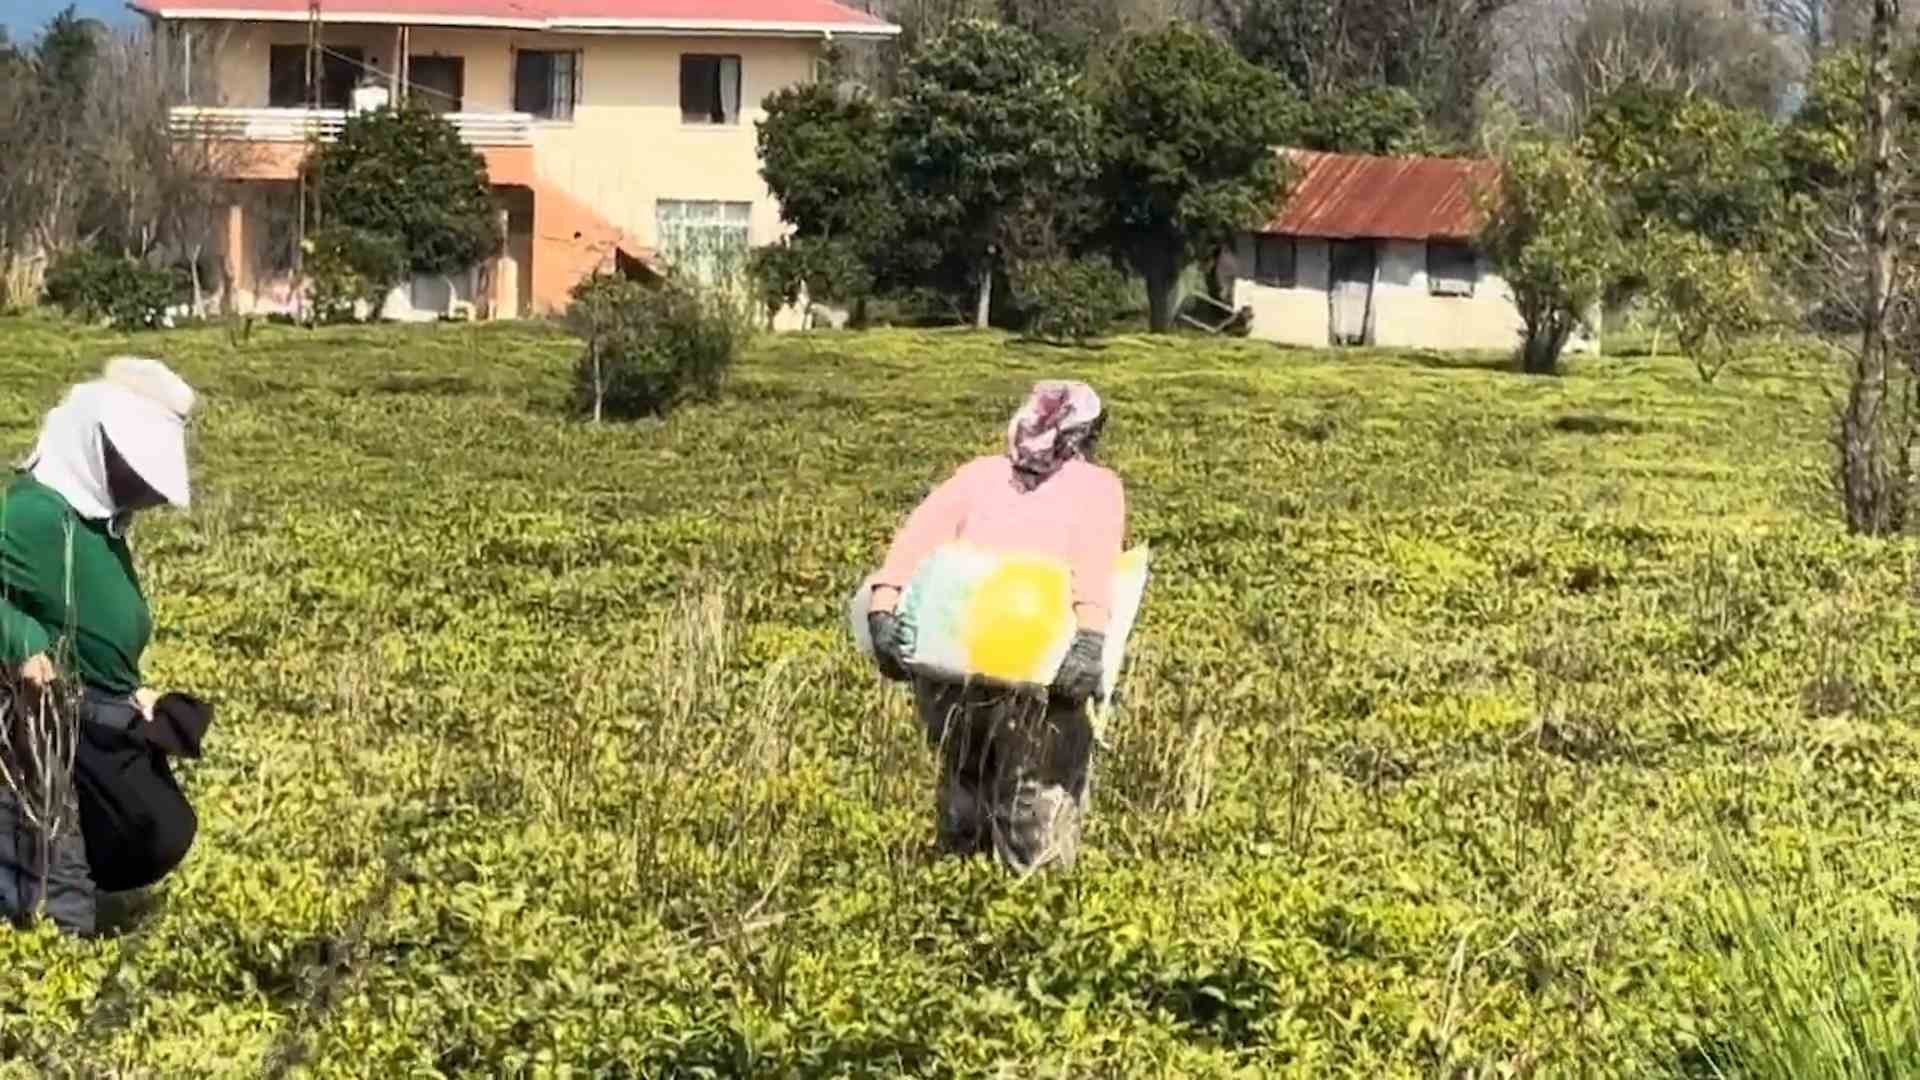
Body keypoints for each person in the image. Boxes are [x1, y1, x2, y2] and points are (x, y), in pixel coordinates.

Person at [865, 381, 1126, 874]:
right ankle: (1031, 905)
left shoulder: (979, 474)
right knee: (1035, 798)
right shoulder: (1096, 486)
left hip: (951, 664)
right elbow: (1095, 564)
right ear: (1081, 434)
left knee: (964, 780)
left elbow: (915, 538)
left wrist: (883, 609)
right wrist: (1090, 641)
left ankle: (956, 888)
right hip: (1035, 669)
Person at [0, 356, 199, 935]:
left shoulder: (93, 523)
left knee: (155, 825)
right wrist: (22, 641)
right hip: (41, 713)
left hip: (97, 704)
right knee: (51, 855)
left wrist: (133, 688)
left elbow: (88, 616)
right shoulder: (35, 513)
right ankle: (54, 951)